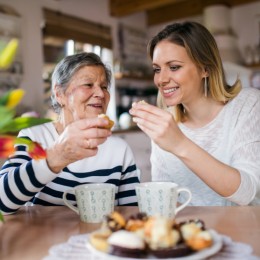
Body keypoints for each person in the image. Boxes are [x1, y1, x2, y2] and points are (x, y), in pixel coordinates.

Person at [130, 21, 260, 206]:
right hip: (190, 232)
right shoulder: (166, 123)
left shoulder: (248, 105)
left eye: (174, 67)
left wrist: (179, 144)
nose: (161, 79)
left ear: (205, 69)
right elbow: (167, 200)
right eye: (157, 69)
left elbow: (247, 192)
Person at [0, 52, 139, 215]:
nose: (101, 94)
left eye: (103, 87)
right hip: (44, 238)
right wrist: (56, 157)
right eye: (88, 84)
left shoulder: (119, 149)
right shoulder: (34, 137)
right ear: (60, 94)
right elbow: (2, 203)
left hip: (99, 238)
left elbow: (133, 213)